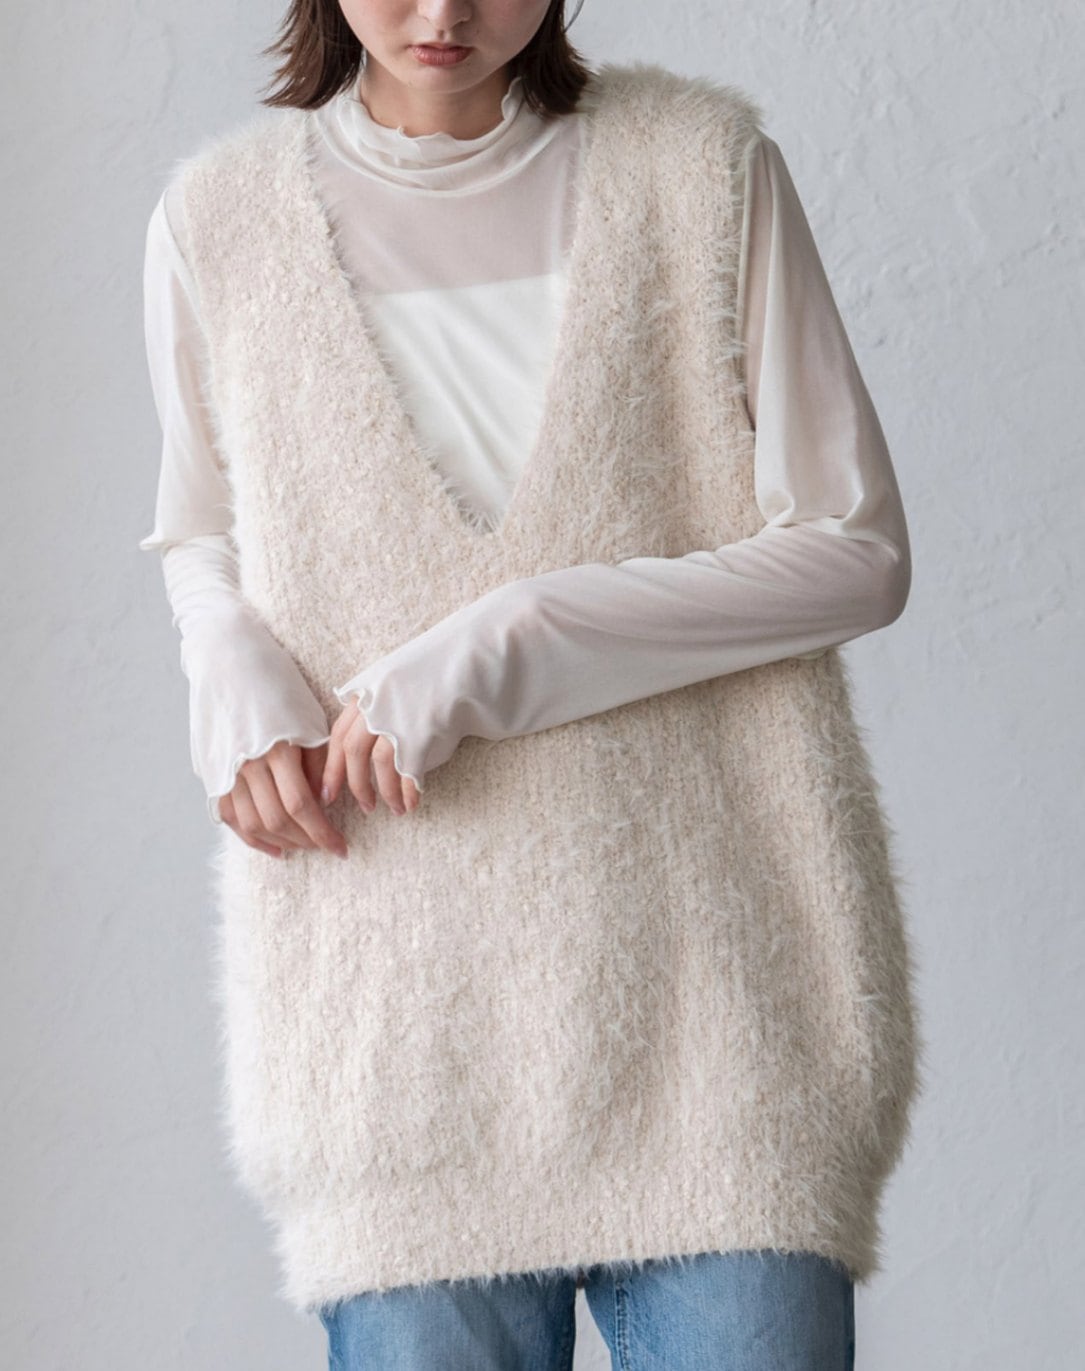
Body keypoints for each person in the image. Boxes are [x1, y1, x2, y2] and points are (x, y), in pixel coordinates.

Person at [139, 2, 922, 1367]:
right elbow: (200, 525)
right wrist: (226, 657)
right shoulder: (222, 219)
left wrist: (514, 637)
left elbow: (853, 552)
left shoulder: (699, 169)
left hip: (721, 1009)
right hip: (397, 1033)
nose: (444, 12)